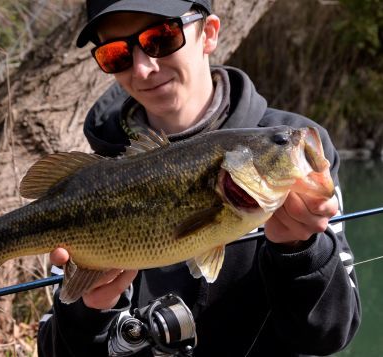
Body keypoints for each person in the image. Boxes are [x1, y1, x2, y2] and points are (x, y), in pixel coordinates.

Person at [38, 0, 361, 356]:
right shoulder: (92, 180)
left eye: (160, 38)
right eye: (116, 54)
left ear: (208, 34)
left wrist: (302, 252)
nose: (144, 68)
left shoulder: (287, 146)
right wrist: (87, 313)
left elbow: (329, 335)